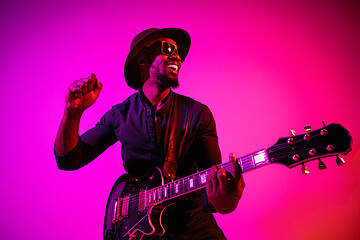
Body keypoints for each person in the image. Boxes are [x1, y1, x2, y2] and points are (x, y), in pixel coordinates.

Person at [54, 28, 245, 240]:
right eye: (168, 49)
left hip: (191, 224)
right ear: (143, 58)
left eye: (179, 51)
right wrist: (73, 112)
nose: (178, 57)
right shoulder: (120, 115)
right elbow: (69, 159)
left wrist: (227, 197)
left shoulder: (199, 114)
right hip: (136, 231)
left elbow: (212, 191)